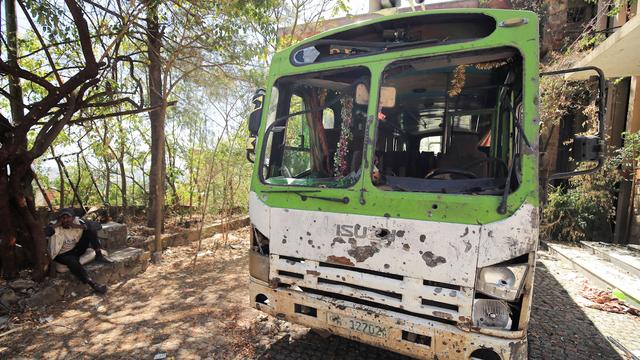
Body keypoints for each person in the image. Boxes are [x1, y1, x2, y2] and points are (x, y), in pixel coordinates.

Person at [46, 208, 112, 294]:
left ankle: (99, 255)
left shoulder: (77, 222)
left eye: (68, 217)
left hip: (75, 250)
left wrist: (76, 226)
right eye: (63, 218)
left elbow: (97, 226)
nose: (65, 220)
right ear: (59, 219)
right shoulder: (55, 226)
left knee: (90, 230)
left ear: (73, 218)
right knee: (72, 262)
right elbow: (45, 232)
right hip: (62, 255)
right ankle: (93, 284)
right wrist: (58, 224)